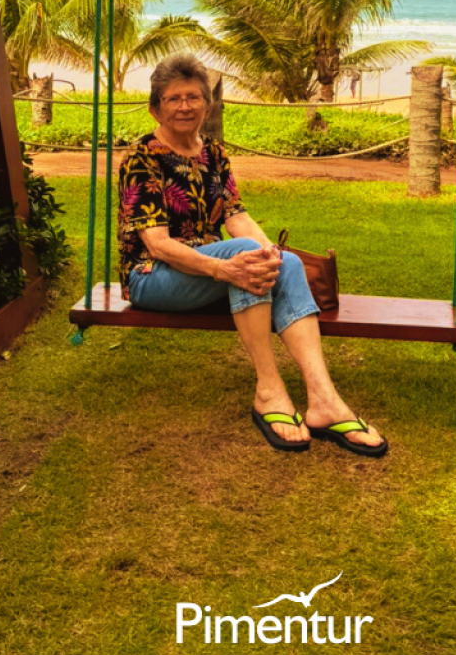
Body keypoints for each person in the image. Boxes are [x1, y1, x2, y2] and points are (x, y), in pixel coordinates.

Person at [118, 53, 388, 457]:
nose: (184, 106)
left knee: (282, 260)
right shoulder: (142, 158)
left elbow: (236, 216)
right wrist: (224, 269)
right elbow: (157, 244)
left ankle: (324, 399)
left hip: (207, 269)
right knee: (248, 258)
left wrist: (269, 254)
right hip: (153, 275)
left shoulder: (213, 153)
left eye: (193, 97)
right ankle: (269, 390)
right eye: (173, 98)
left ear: (207, 104)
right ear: (155, 108)